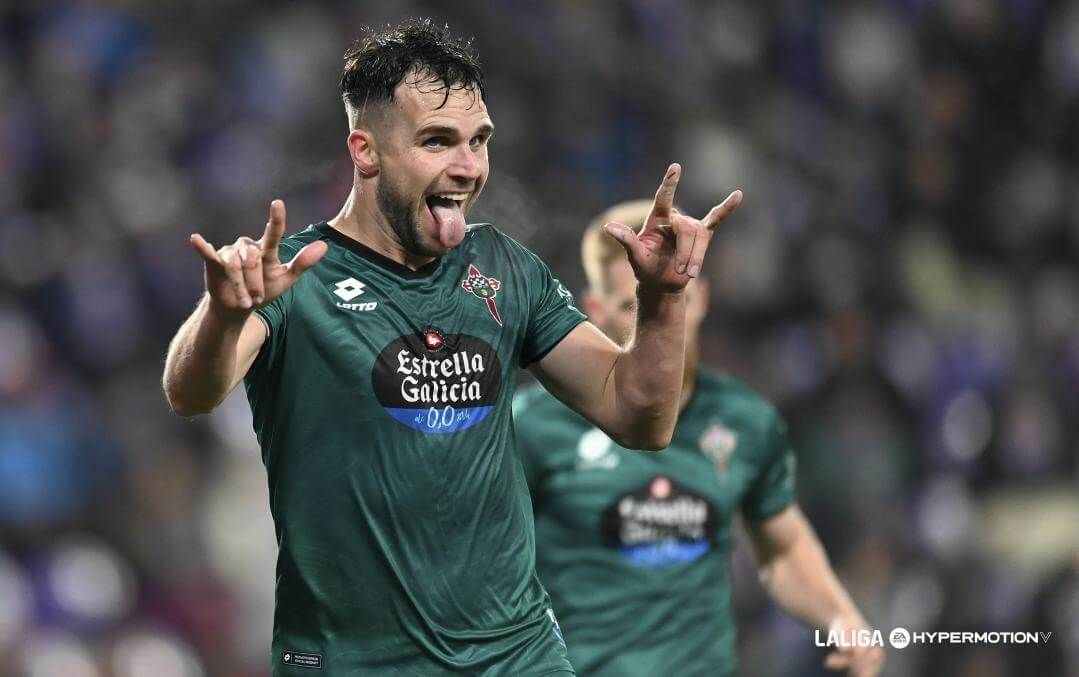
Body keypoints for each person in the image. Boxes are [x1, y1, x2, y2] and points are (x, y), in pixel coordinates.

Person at [161, 19, 741, 676]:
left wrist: (662, 300)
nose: (467, 167)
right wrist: (223, 312)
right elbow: (191, 391)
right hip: (352, 661)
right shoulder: (296, 274)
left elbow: (638, 413)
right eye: (437, 141)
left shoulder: (504, 267)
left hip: (514, 653)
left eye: (478, 141)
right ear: (366, 151)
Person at [513, 200, 885, 677]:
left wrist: (841, 616)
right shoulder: (533, 427)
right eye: (637, 306)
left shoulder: (743, 421)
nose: (659, 323)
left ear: (702, 297)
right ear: (593, 309)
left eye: (675, 297)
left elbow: (784, 548)